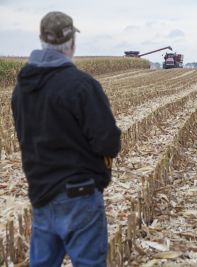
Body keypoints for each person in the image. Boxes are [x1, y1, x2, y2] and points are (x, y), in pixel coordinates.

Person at [11, 11, 121, 266]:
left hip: (41, 195)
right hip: (79, 196)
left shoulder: (21, 90)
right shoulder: (82, 85)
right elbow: (108, 142)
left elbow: (24, 137)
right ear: (71, 43)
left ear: (42, 41)